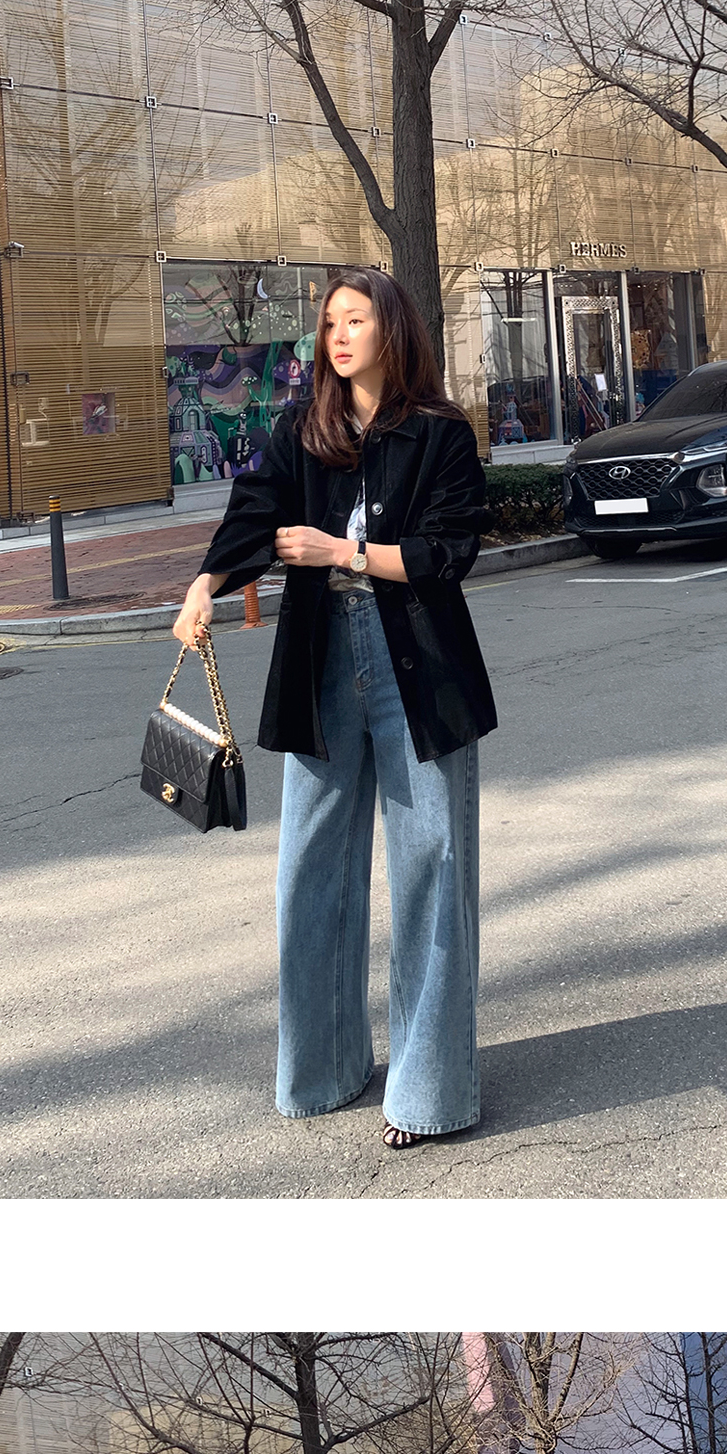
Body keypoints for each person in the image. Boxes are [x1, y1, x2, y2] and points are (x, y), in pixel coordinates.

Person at [169, 265, 496, 1147]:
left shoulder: (439, 432)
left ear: (392, 328)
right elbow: (253, 514)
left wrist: (341, 553)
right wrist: (204, 586)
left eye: (355, 319)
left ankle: (429, 1094)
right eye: (329, 323)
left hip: (417, 666)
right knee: (310, 871)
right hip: (321, 662)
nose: (338, 335)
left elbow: (447, 552)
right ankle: (323, 1068)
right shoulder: (301, 429)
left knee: (431, 871)